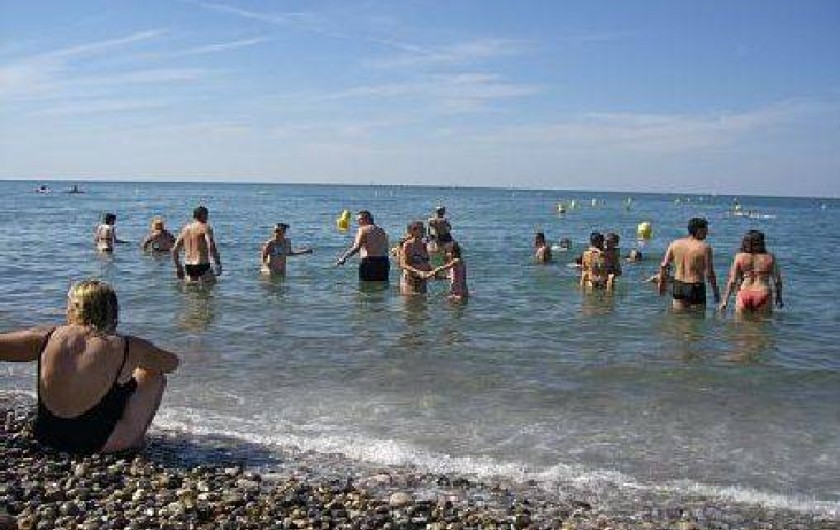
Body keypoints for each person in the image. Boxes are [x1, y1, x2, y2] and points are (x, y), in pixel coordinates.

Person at [0, 280, 178, 454]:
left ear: (73, 309)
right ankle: (135, 441)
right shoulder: (127, 346)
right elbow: (171, 364)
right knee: (153, 376)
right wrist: (132, 360)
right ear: (112, 311)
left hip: (47, 437)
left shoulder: (47, 336)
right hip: (98, 443)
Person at [658, 217, 721, 310]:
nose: (707, 233)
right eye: (705, 230)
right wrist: (715, 291)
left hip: (678, 285)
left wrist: (662, 284)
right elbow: (709, 273)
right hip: (695, 286)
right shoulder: (705, 248)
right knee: (697, 320)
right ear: (699, 230)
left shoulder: (674, 244)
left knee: (678, 317)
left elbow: (664, 266)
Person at [719, 230, 783, 316]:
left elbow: (732, 280)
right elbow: (777, 281)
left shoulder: (739, 257)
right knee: (762, 327)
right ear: (761, 242)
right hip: (762, 293)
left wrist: (725, 301)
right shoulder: (770, 257)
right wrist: (779, 297)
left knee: (741, 327)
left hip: (744, 293)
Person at [336, 210, 390, 282]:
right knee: (381, 287)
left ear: (366, 219)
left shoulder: (363, 229)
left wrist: (344, 257)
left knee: (366, 289)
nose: (358, 222)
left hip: (370, 262)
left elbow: (357, 247)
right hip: (384, 262)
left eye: (360, 220)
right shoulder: (381, 230)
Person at [172, 206, 222, 283]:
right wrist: (217, 262)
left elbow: (175, 249)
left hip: (188, 265)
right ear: (203, 215)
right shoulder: (205, 227)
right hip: (202, 264)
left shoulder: (185, 229)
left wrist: (178, 267)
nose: (207, 218)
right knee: (209, 289)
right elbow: (210, 245)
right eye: (207, 215)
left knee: (191, 292)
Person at [399, 221, 432, 295]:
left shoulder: (424, 245)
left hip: (422, 280)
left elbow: (425, 262)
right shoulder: (408, 245)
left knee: (422, 304)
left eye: (423, 228)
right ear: (412, 231)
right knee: (411, 303)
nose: (423, 230)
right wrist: (417, 271)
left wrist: (433, 271)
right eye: (419, 228)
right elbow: (403, 264)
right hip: (410, 280)